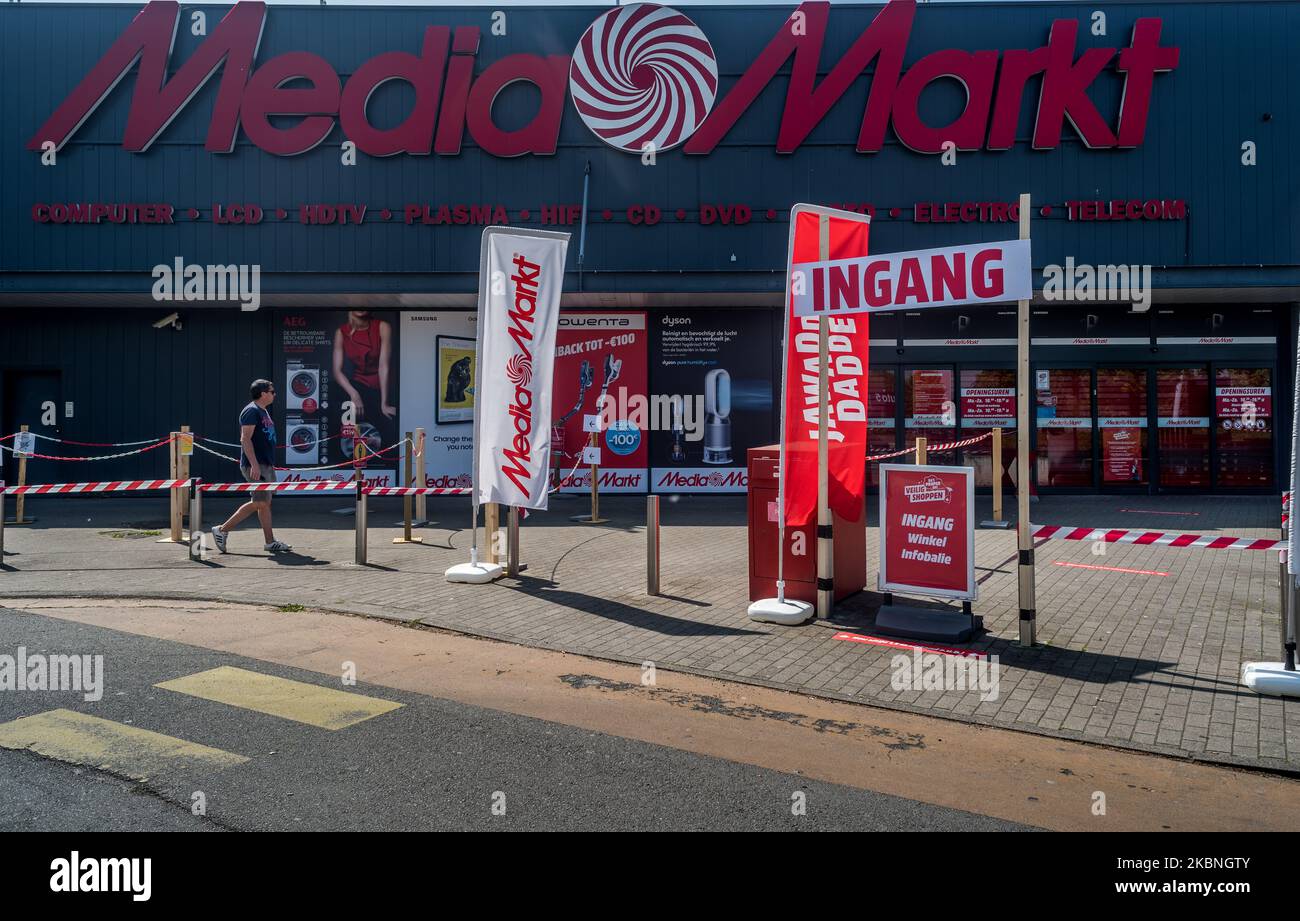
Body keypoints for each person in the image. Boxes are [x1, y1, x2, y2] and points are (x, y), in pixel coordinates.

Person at [211, 379, 293, 554]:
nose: (274, 394)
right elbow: (245, 439)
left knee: (265, 503)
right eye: (272, 391)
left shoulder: (262, 411)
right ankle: (222, 530)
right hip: (256, 465)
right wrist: (254, 465)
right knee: (260, 502)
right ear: (263, 393)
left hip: (266, 464)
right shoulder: (251, 411)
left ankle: (270, 542)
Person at [333, 311, 397, 453]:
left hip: (383, 386)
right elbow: (337, 371)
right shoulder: (341, 332)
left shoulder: (382, 327)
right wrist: (354, 394)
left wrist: (384, 403)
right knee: (345, 418)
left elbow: (383, 366)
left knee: (388, 428)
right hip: (359, 385)